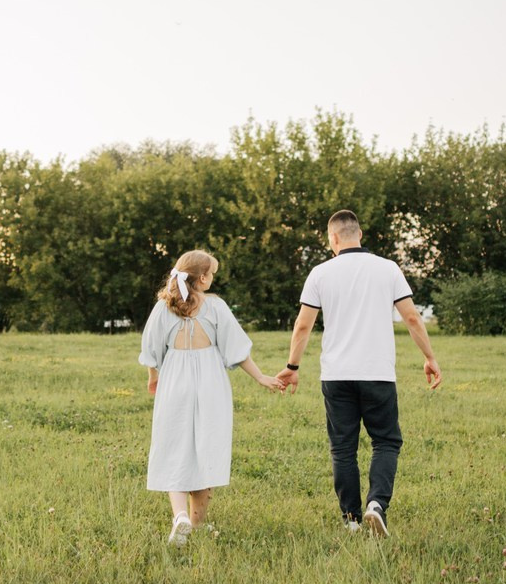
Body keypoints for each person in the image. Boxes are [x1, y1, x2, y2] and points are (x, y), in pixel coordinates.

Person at [276, 210, 442, 537]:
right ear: (360, 234)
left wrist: (292, 367)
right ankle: (376, 504)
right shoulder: (388, 268)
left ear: (333, 238)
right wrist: (429, 357)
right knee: (386, 441)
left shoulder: (320, 273)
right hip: (377, 373)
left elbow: (303, 325)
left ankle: (351, 519)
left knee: (342, 448)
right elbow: (411, 318)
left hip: (336, 375)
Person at [139, 249, 284, 546]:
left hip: (175, 380)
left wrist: (154, 379)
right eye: (213, 274)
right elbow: (236, 348)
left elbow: (152, 352)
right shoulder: (216, 307)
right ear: (202, 278)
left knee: (173, 447)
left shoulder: (163, 307)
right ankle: (197, 522)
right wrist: (261, 377)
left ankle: (179, 516)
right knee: (205, 446)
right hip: (210, 383)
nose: (214, 279)